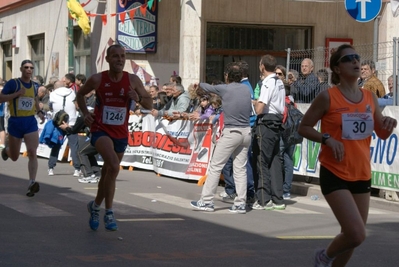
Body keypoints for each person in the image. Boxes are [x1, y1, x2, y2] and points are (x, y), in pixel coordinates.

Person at [298, 44, 397, 267]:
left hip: (361, 173)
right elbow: (303, 127)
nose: (355, 62)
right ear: (337, 68)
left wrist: (388, 125)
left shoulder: (370, 97)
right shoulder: (328, 97)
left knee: (351, 238)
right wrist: (327, 139)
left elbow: (381, 133)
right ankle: (324, 257)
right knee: (356, 234)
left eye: (357, 58)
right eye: (348, 59)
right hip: (335, 172)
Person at [76, 44, 152, 231]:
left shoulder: (132, 80)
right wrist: (85, 113)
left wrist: (139, 98)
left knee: (108, 172)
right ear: (108, 59)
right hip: (100, 130)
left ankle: (95, 206)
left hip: (121, 133)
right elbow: (80, 94)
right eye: (115, 56)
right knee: (114, 165)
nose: (119, 59)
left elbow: (149, 104)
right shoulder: (97, 79)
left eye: (122, 56)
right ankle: (109, 212)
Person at [190, 62, 252, 214]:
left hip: (232, 132)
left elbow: (207, 87)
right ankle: (240, 204)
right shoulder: (245, 89)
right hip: (246, 132)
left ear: (227, 77)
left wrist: (198, 84)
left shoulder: (225, 88)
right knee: (240, 169)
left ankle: (206, 201)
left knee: (215, 166)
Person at [0, 59, 45, 197]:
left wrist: (39, 112)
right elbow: (1, 98)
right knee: (14, 156)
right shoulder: (13, 83)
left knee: (32, 151)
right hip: (15, 122)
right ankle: (7, 151)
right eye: (26, 67)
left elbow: (35, 99)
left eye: (31, 67)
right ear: (21, 69)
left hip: (30, 122)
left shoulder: (35, 86)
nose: (29, 69)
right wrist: (17, 94)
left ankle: (32, 182)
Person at [252, 54, 286, 210]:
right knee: (274, 161)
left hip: (266, 122)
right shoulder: (279, 82)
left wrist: (253, 103)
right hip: (277, 121)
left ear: (262, 66)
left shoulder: (266, 83)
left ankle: (264, 199)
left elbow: (260, 108)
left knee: (262, 161)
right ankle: (278, 198)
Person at [47, 81, 77, 176]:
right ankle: (77, 169)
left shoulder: (52, 94)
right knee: (74, 146)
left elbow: (50, 107)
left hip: (59, 123)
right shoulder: (72, 92)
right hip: (71, 122)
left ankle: (51, 167)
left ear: (55, 87)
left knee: (56, 144)